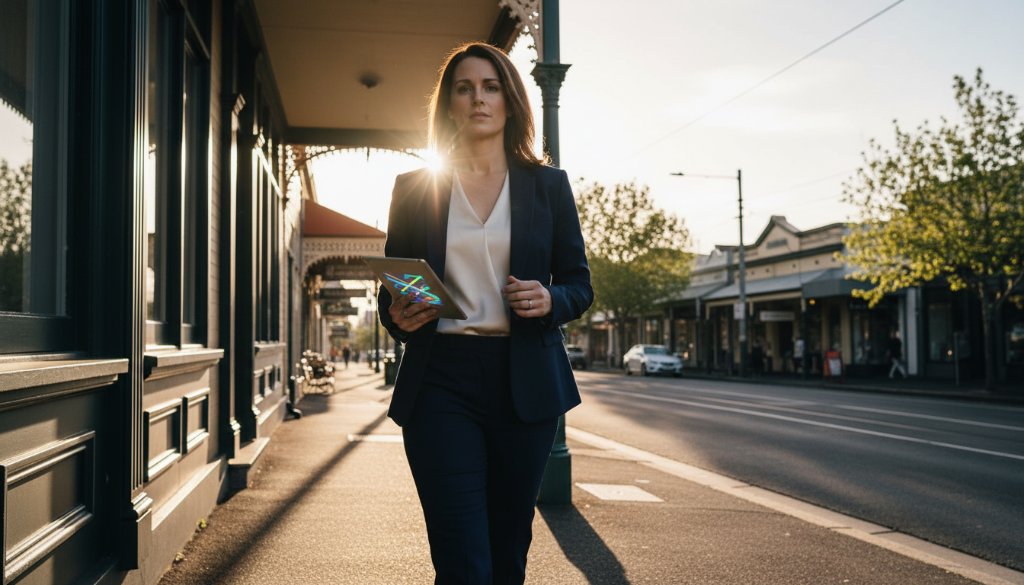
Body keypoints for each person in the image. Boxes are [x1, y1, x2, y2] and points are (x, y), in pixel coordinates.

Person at [377, 42, 592, 584]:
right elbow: (394, 291)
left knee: (507, 554)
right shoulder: (414, 189)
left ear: (510, 101)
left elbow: (579, 285)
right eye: (465, 88)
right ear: (449, 105)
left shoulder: (549, 186)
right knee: (462, 560)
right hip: (440, 382)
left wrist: (551, 300)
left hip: (525, 383)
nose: (478, 98)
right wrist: (398, 316)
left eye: (491, 87)